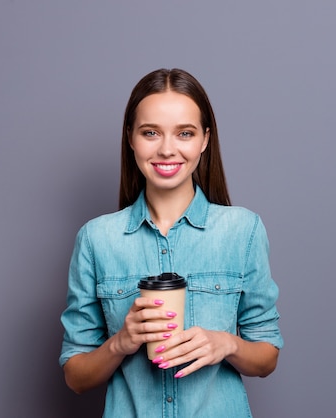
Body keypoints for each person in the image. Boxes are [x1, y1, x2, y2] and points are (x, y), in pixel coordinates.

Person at [59, 68, 283, 417]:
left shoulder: (243, 230)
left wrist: (224, 343)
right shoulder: (97, 239)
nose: (167, 149)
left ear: (204, 140)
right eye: (151, 132)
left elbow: (267, 357)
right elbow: (76, 376)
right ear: (130, 138)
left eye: (185, 133)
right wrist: (121, 342)